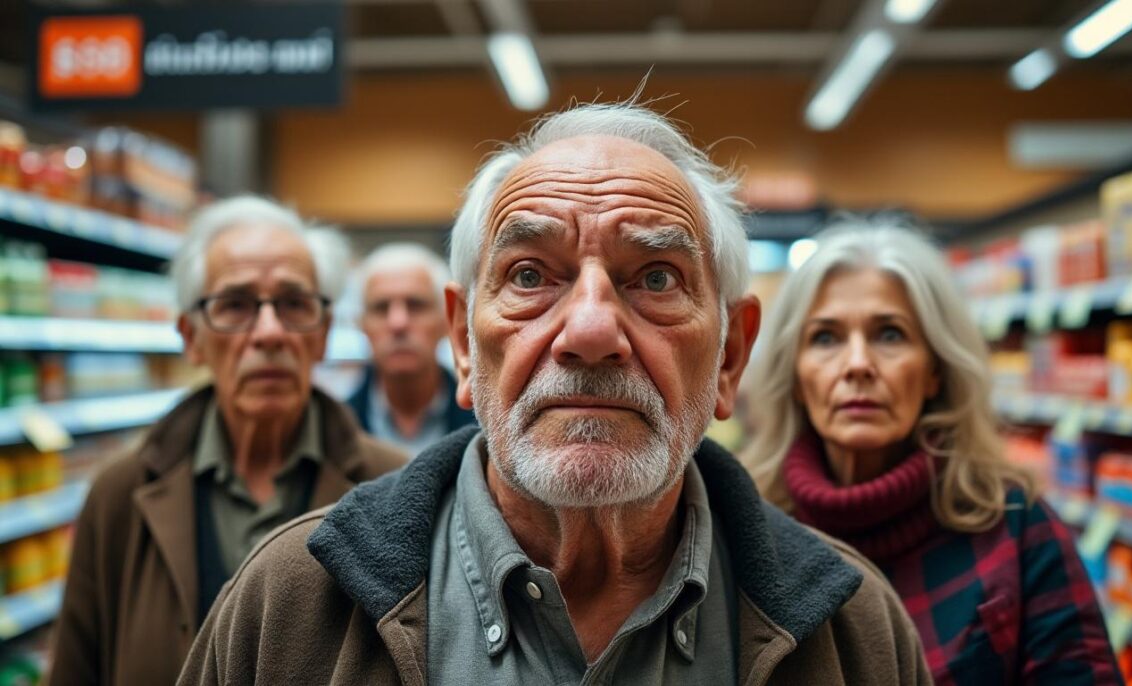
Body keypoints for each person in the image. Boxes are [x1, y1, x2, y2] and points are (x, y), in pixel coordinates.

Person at [178, 102, 932, 686]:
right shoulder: (286, 607)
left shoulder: (856, 632)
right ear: (465, 346)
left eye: (657, 278)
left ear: (730, 354)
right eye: (531, 276)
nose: (592, 330)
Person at [48, 196, 409, 686]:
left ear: (323, 332)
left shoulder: (395, 487)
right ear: (190, 336)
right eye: (235, 305)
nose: (268, 332)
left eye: (293, 304)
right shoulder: (120, 496)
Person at [740, 221, 1121, 684]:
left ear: (935, 371)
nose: (858, 364)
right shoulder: (748, 528)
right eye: (826, 338)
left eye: (890, 334)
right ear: (796, 376)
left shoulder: (1016, 526)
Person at [347, 244, 475, 453]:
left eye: (415, 305)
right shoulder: (334, 430)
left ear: (447, 320)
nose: (398, 323)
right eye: (381, 308)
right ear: (362, 325)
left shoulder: (484, 423)